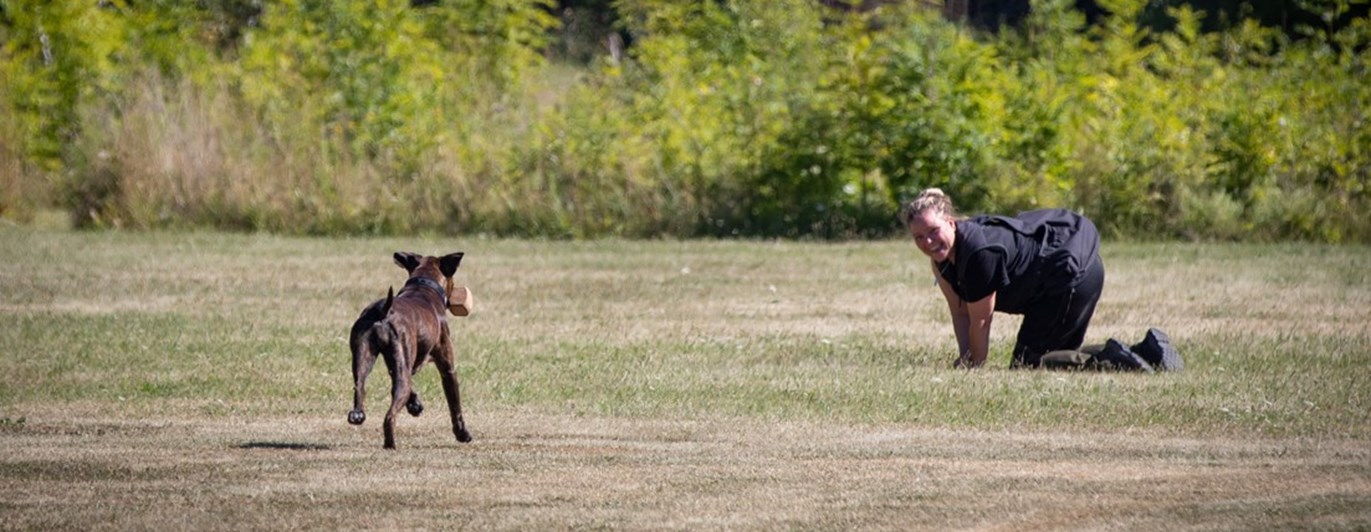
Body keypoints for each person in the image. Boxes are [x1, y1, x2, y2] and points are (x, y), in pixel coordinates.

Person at [900, 188, 1182, 372]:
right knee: (1049, 357)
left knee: (1031, 367)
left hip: (1069, 280)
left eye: (933, 231)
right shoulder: (942, 260)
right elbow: (959, 311)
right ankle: (1147, 352)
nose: (927, 241)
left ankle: (1120, 361)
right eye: (919, 237)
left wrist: (974, 367)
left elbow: (980, 321)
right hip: (1056, 283)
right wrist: (964, 358)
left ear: (951, 222)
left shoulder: (977, 253)